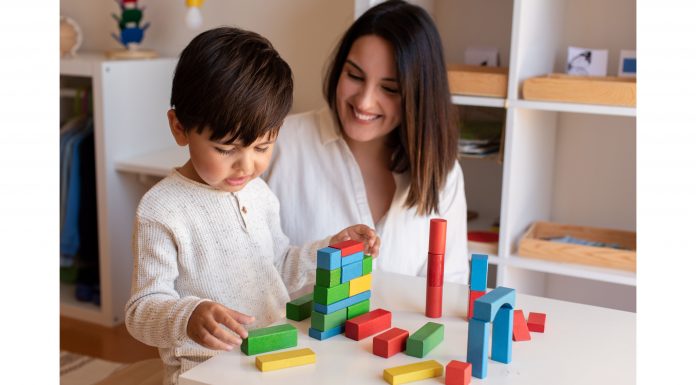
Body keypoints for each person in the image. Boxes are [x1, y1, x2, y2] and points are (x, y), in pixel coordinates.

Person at [124, 27, 380, 384]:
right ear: (180, 128)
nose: (246, 166)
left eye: (262, 147)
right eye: (226, 149)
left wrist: (331, 248)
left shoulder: (258, 193)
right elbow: (141, 310)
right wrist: (188, 315)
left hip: (274, 358)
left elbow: (278, 267)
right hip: (205, 374)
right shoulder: (162, 210)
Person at [265, 0, 469, 284]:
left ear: (419, 96)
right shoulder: (276, 145)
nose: (364, 101)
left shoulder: (443, 174)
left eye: (389, 88)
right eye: (355, 75)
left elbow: (449, 286)